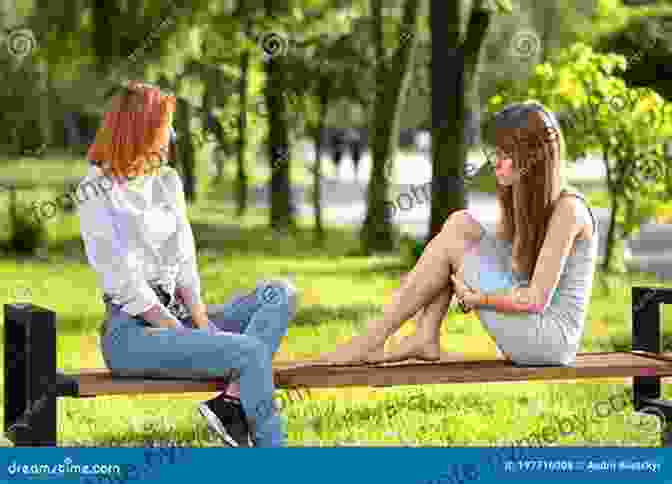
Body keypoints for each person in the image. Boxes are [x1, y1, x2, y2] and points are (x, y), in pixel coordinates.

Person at [78, 81, 297, 447]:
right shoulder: (96, 188)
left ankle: (232, 405)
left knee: (281, 294)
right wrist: (187, 335)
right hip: (133, 333)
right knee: (250, 351)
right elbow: (124, 281)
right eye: (165, 128)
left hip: (179, 316)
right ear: (139, 128)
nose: (170, 138)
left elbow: (184, 260)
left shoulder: (166, 181)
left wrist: (200, 323)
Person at [319, 101, 598, 367]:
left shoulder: (568, 210)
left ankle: (370, 340)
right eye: (495, 153)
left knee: (455, 240)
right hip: (532, 328)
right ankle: (425, 334)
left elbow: (535, 300)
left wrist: (479, 299)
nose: (495, 162)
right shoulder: (524, 199)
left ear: (532, 157)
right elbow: (506, 265)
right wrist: (437, 275)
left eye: (505, 154)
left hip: (548, 341)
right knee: (459, 224)